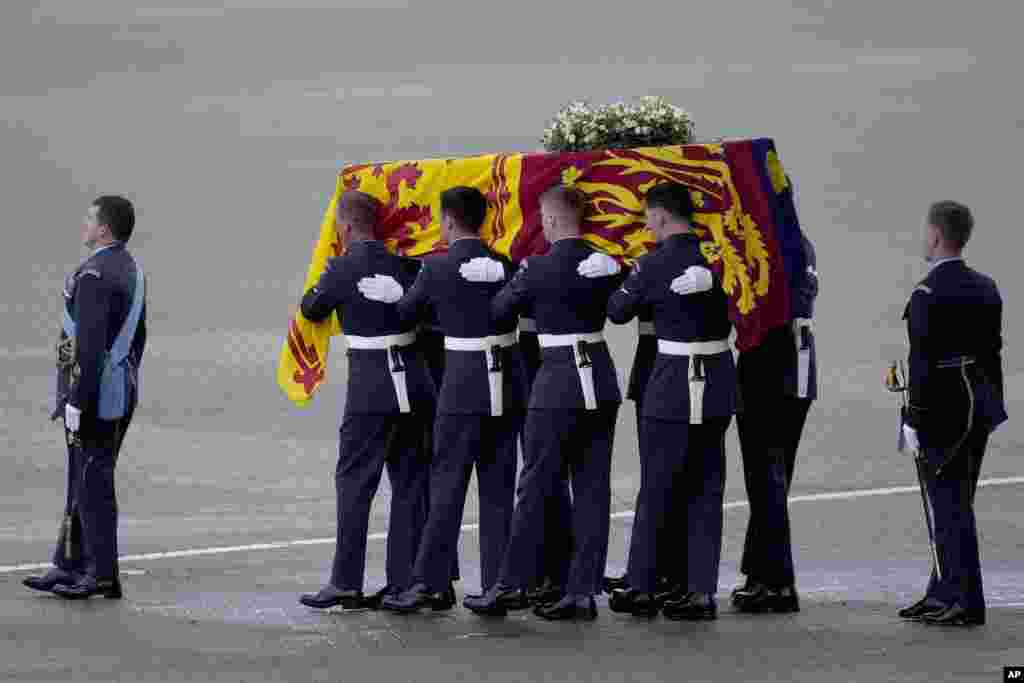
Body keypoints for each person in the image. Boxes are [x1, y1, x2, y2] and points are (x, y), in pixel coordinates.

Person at [361, 186, 528, 612]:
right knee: (497, 490)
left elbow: (406, 313)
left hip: (463, 386)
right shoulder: (506, 264)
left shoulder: (436, 269)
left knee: (446, 488)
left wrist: (396, 292)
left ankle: (430, 582)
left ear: (449, 221)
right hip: (507, 384)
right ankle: (498, 584)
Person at [462, 184, 623, 621]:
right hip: (601, 379)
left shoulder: (537, 268)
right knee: (593, 488)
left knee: (534, 484)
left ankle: (510, 584)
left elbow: (499, 310)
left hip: (557, 383)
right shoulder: (604, 264)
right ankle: (581, 591)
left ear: (551, 220)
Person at [296, 191, 436, 610]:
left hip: (372, 387)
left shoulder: (343, 267)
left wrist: (327, 274)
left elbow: (312, 309)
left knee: (355, 483)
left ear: (346, 226)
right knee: (411, 484)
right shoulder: (407, 264)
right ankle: (404, 582)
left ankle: (346, 581)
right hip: (415, 382)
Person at [606, 182, 736, 620]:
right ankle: (700, 591)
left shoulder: (653, 264)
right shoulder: (723, 259)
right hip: (717, 381)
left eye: (648, 216)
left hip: (672, 385)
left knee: (658, 487)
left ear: (660, 216)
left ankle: (642, 585)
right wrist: (716, 280)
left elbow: (617, 311)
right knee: (706, 489)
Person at [24, 196, 147, 600]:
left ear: (104, 230)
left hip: (95, 395)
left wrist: (77, 398)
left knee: (93, 479)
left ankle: (102, 573)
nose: (84, 225)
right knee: (83, 476)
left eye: (89, 220)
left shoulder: (95, 274)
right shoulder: (130, 268)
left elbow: (90, 347)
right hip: (119, 387)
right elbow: (137, 339)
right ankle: (68, 562)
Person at [896, 200, 1006, 627]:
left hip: (943, 408)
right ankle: (942, 588)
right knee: (955, 499)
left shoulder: (927, 293)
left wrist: (913, 417)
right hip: (979, 402)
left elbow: (922, 361)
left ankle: (965, 598)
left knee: (949, 503)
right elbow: (993, 352)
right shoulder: (987, 286)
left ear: (937, 235)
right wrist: (991, 404)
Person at [732, 225, 818, 614]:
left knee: (765, 475)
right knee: (774, 476)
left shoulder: (764, 242)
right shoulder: (799, 242)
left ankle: (778, 581)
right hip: (798, 360)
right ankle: (761, 571)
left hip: (769, 358)